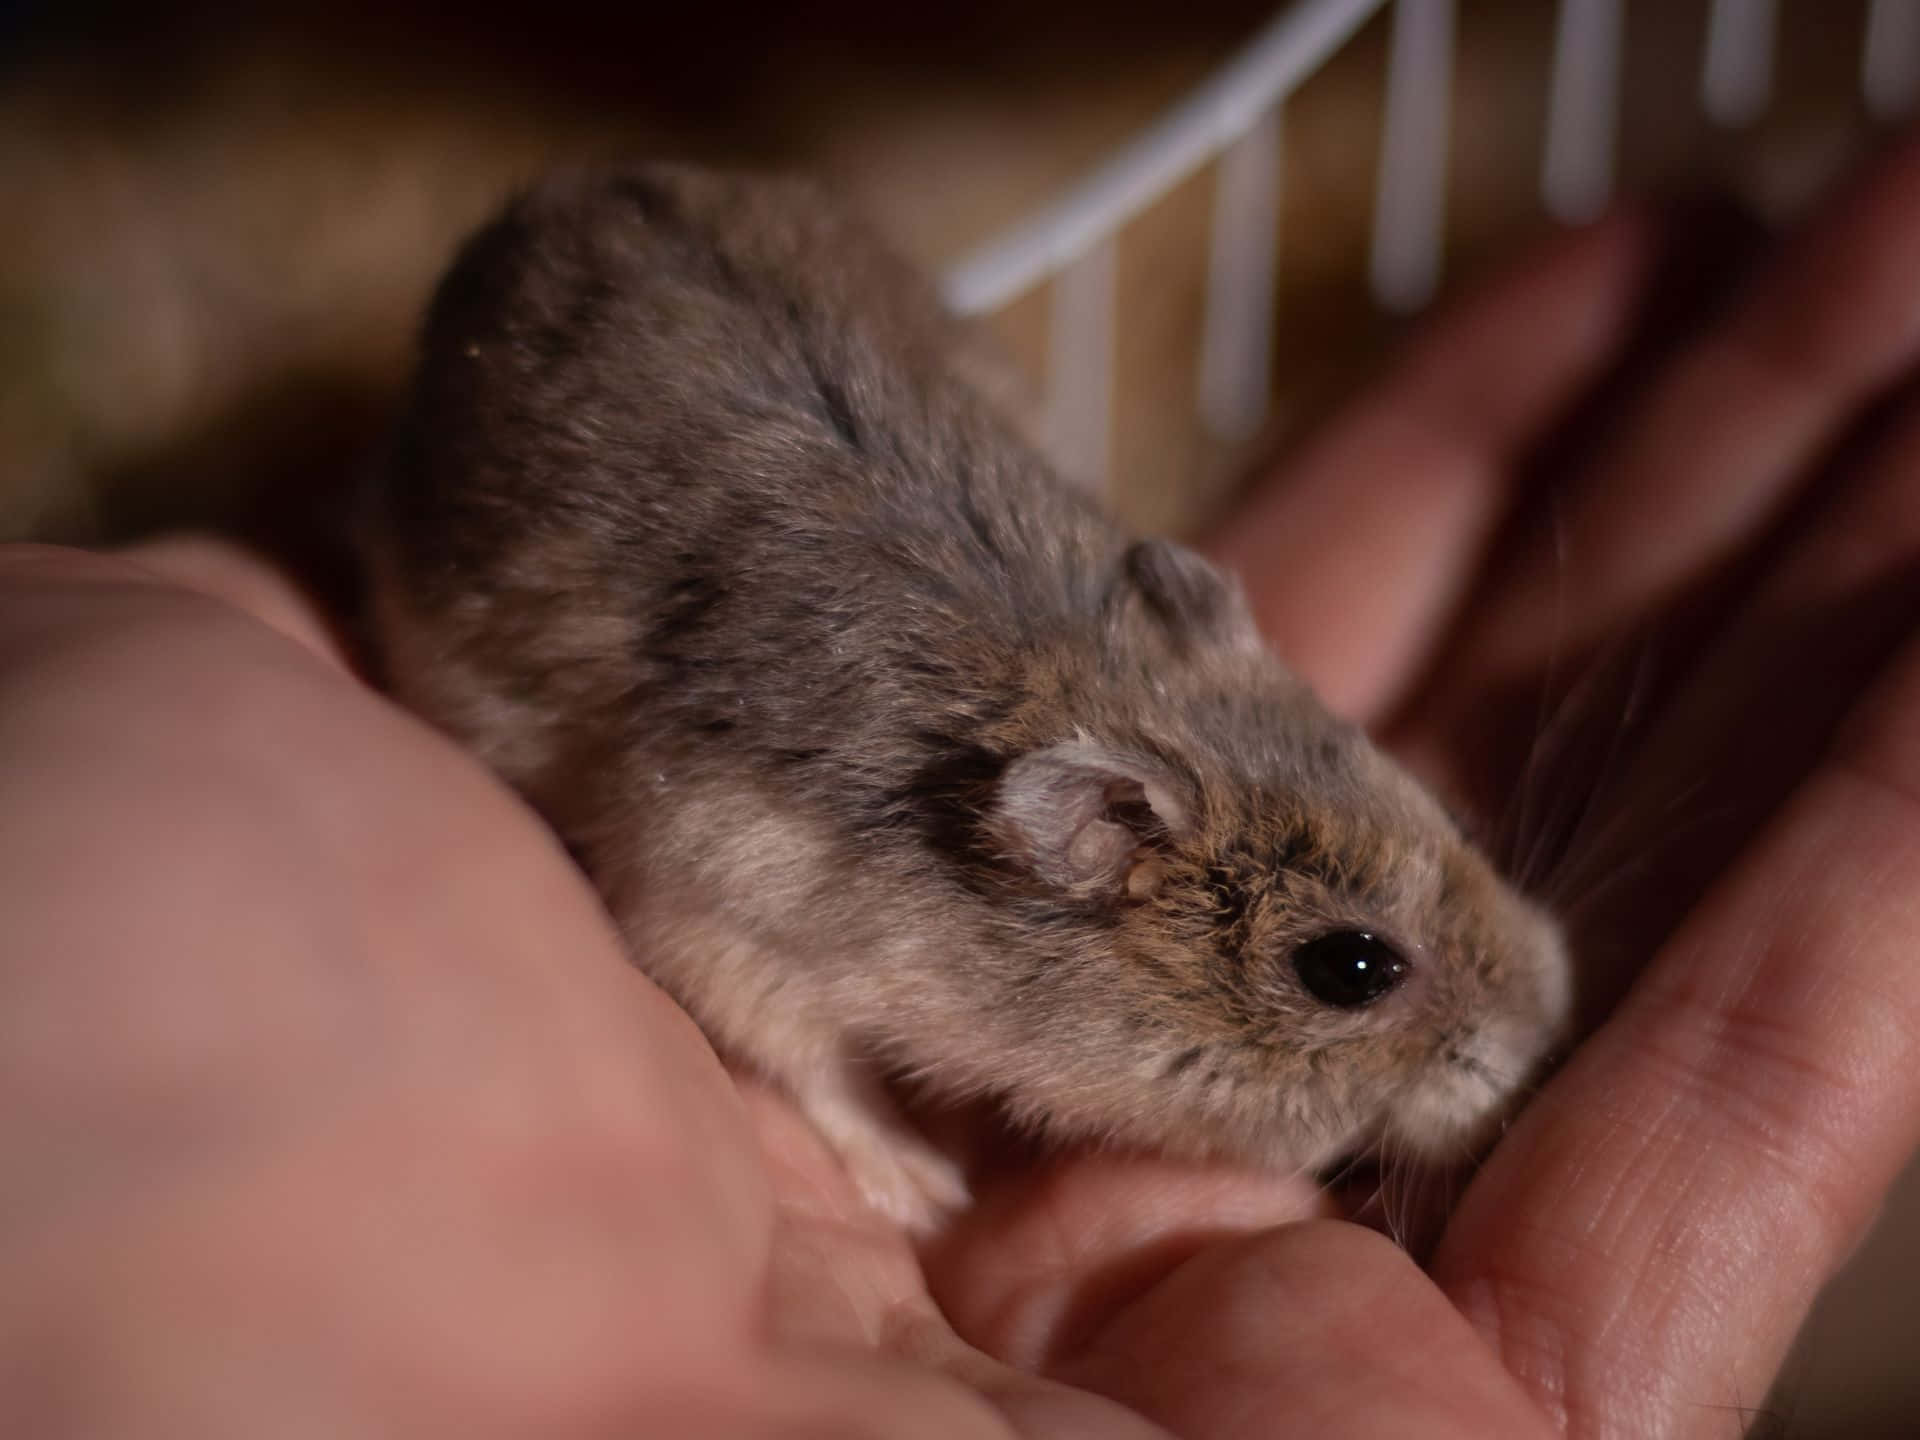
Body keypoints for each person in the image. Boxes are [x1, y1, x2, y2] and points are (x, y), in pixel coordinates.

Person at [8, 130, 1920, 1440]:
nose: (1463, 1009)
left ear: (1217, 632)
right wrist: (823, 1094)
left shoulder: (1177, 644)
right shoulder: (909, 858)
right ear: (1092, 848)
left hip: (764, 296)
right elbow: (699, 876)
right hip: (571, 421)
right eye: (1349, 974)